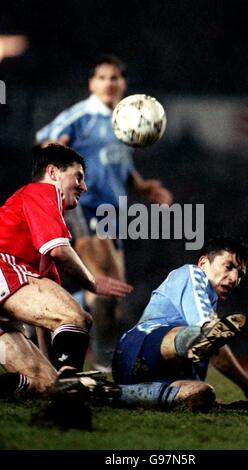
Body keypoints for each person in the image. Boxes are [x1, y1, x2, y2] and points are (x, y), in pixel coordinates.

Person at [35, 54, 173, 372]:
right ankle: (102, 361)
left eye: (115, 78)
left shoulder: (125, 118)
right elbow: (44, 143)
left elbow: (119, 166)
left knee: (112, 297)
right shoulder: (82, 115)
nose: (109, 83)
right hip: (85, 208)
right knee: (105, 287)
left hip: (114, 216)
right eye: (102, 77)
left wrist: (143, 188)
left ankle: (49, 313)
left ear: (123, 83)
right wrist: (58, 152)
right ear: (91, 83)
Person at [0, 143, 132, 394]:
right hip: (2, 268)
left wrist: (58, 371)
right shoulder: (42, 192)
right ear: (53, 173)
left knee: (43, 381)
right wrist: (93, 282)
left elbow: (45, 321)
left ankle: (63, 390)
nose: (83, 186)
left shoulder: (37, 259)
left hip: (6, 291)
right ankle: (70, 398)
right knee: (78, 318)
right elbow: (60, 251)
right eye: (78, 176)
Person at [111, 236, 248, 410]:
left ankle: (113, 393)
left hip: (154, 377)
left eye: (240, 274)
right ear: (203, 263)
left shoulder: (208, 306)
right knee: (205, 332)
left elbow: (215, 343)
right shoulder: (192, 273)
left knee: (202, 393)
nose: (234, 278)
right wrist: (211, 332)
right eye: (229, 266)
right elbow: (208, 333)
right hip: (137, 351)